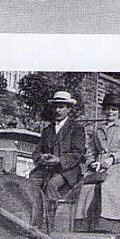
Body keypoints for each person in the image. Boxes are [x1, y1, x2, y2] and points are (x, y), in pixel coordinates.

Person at [74, 92, 120, 238]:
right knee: (86, 188)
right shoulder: (98, 129)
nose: (111, 112)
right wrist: (92, 163)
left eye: (114, 109)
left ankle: (111, 227)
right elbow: (90, 149)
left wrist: (112, 158)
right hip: (99, 166)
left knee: (108, 186)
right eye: (108, 109)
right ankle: (88, 227)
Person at [30, 90, 85, 228]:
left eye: (61, 107)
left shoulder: (76, 129)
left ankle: (47, 225)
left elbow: (77, 153)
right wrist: (41, 157)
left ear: (69, 109)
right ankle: (31, 220)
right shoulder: (47, 130)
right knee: (30, 184)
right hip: (46, 170)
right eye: (55, 107)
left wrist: (59, 160)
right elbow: (37, 152)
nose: (57, 110)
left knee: (51, 186)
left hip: (66, 172)